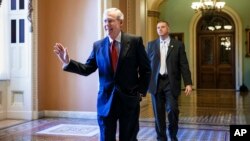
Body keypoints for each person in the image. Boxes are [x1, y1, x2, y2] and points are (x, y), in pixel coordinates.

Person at [53, 8, 151, 141]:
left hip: (129, 100)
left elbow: (146, 70)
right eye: (105, 21)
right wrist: (68, 62)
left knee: (129, 137)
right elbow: (87, 68)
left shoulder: (134, 41)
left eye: (110, 21)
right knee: (105, 137)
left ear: (121, 23)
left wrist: (140, 92)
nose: (106, 24)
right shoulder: (98, 45)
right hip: (105, 101)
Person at [146, 20, 192, 141]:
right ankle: (161, 138)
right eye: (158, 28)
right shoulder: (151, 45)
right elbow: (146, 66)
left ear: (168, 29)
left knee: (172, 110)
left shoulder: (178, 45)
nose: (160, 29)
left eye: (162, 27)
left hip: (171, 83)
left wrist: (188, 83)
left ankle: (173, 135)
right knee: (158, 114)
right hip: (156, 83)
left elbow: (184, 64)